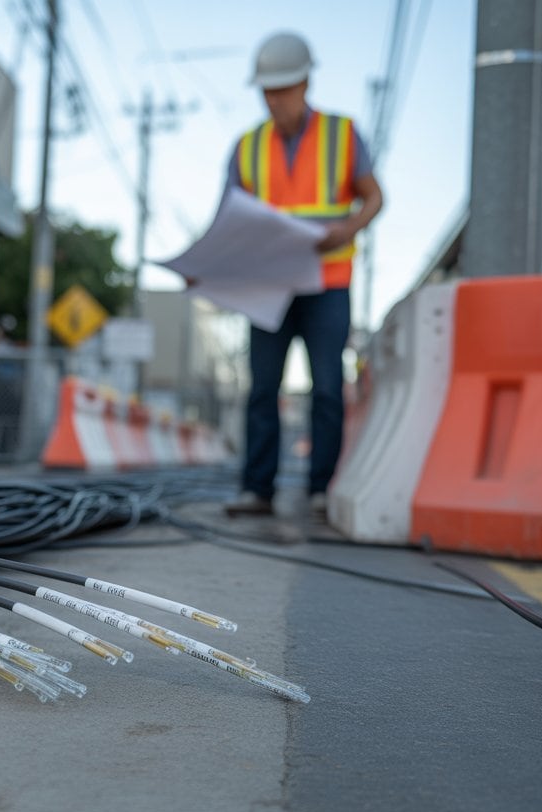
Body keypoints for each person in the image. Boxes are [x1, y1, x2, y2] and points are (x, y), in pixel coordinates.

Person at [223, 31, 384, 520]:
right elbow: (229, 220)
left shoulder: (341, 134)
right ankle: (257, 489)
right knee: (262, 389)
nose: (274, 100)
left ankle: (320, 489)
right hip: (270, 286)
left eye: (283, 89)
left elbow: (373, 196)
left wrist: (347, 228)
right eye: (267, 91)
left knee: (328, 388)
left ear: (305, 82)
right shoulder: (247, 147)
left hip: (326, 284)